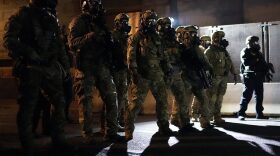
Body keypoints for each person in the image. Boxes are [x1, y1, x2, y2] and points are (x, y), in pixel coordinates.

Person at [3, 0, 71, 155]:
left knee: (60, 103)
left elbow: (59, 44)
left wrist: (65, 68)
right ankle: (28, 146)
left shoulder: (50, 17)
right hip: (30, 67)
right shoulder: (22, 15)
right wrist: (28, 52)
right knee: (28, 107)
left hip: (49, 68)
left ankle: (58, 140)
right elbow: (9, 39)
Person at [68, 0, 123, 142]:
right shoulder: (78, 21)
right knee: (85, 102)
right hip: (86, 67)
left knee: (111, 98)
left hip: (102, 66)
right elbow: (72, 43)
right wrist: (89, 36)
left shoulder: (100, 22)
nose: (97, 7)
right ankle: (87, 134)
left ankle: (111, 131)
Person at [125, 10, 174, 141]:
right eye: (148, 20)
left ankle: (164, 127)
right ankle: (128, 130)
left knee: (162, 102)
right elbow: (131, 56)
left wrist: (168, 69)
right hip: (142, 76)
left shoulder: (158, 38)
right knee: (135, 105)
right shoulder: (137, 37)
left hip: (157, 75)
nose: (150, 23)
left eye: (153, 21)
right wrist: (134, 72)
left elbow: (164, 56)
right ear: (143, 21)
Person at [171, 25, 214, 129]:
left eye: (194, 34)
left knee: (203, 100)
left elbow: (204, 61)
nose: (193, 36)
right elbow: (176, 62)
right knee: (183, 102)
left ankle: (205, 121)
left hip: (197, 78)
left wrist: (210, 69)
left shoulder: (197, 48)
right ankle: (181, 121)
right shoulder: (180, 48)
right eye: (191, 34)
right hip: (185, 78)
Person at [156, 17, 193, 132]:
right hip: (164, 74)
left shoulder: (173, 40)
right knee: (163, 101)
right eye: (166, 25)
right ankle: (163, 126)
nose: (169, 27)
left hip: (176, 73)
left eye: (169, 25)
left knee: (182, 98)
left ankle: (185, 122)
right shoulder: (156, 40)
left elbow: (179, 54)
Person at [205, 31, 237, 125]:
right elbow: (204, 64)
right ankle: (207, 117)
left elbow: (229, 62)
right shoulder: (209, 51)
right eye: (220, 38)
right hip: (214, 78)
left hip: (223, 78)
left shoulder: (224, 51)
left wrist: (234, 73)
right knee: (212, 98)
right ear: (215, 39)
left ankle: (217, 117)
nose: (222, 40)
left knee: (219, 98)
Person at [237, 36, 271, 120]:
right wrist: (256, 59)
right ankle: (241, 113)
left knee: (259, 96)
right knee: (247, 95)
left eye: (257, 42)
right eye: (255, 42)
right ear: (250, 43)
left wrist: (267, 72)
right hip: (249, 76)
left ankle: (259, 113)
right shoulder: (245, 51)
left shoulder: (258, 53)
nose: (257, 44)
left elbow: (263, 63)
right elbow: (246, 63)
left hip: (259, 77)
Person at [111, 13, 131, 128]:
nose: (126, 25)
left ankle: (121, 119)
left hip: (123, 70)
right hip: (115, 70)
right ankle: (111, 123)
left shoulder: (126, 37)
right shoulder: (112, 36)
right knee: (114, 98)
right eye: (123, 22)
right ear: (117, 23)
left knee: (123, 96)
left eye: (126, 22)